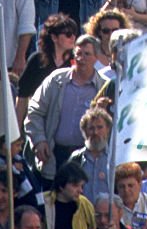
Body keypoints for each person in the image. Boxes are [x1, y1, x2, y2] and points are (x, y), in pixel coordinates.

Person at [25, 35, 105, 183]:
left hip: (86, 158)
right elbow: (34, 111)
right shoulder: (56, 80)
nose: (81, 58)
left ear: (96, 58)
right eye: (79, 54)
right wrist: (39, 140)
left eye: (87, 54)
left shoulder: (103, 87)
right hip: (55, 155)